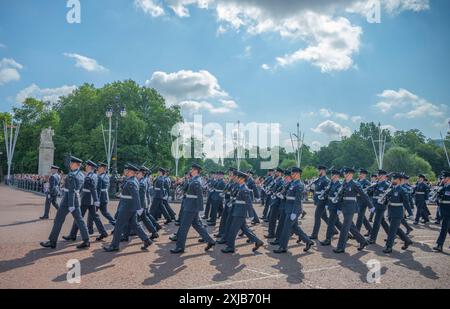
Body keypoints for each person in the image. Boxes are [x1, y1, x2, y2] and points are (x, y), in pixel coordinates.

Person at [40, 156, 90, 249]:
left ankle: (52, 241)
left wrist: (71, 204)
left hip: (68, 199)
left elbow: (71, 191)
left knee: (58, 220)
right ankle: (86, 240)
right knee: (79, 220)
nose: (70, 164)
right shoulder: (82, 175)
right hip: (76, 198)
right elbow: (81, 189)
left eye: (72, 163)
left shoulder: (72, 175)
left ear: (76, 164)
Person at [103, 164, 152, 252]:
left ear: (131, 172)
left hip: (127, 207)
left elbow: (136, 196)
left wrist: (139, 208)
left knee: (118, 226)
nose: (125, 171)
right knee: (135, 225)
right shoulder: (133, 180)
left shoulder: (131, 182)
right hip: (130, 206)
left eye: (127, 170)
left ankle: (114, 245)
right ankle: (146, 240)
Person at [171, 164, 215, 254]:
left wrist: (200, 208)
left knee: (183, 227)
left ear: (196, 170)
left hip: (191, 207)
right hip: (190, 205)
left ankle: (180, 247)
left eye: (192, 169)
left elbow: (199, 196)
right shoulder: (193, 179)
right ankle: (210, 241)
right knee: (197, 225)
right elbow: (185, 189)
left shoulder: (196, 181)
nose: (190, 171)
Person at [64, 160, 109, 242]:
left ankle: (73, 235)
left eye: (87, 166)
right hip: (90, 199)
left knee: (79, 217)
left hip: (87, 199)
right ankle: (103, 232)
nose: (85, 167)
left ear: (89, 167)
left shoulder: (90, 176)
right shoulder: (95, 175)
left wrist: (95, 199)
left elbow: (93, 189)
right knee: (93, 217)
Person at [221, 171, 264, 254]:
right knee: (245, 229)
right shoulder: (240, 187)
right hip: (237, 211)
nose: (236, 179)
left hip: (240, 213)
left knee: (233, 230)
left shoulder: (244, 189)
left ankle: (230, 247)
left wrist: (251, 215)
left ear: (242, 179)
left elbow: (248, 203)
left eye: (238, 177)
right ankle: (258, 241)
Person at [273, 167, 314, 253]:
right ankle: (308, 241)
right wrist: (282, 196)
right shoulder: (292, 183)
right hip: (288, 208)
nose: (291, 175)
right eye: (291, 174)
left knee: (286, 228)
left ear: (298, 174)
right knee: (295, 228)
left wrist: (294, 212)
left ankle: (283, 247)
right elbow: (288, 194)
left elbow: (297, 200)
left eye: (293, 174)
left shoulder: (299, 184)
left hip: (293, 210)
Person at [332, 167, 370, 254]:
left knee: (345, 228)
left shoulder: (355, 184)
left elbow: (364, 195)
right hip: (345, 207)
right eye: (344, 173)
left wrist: (370, 206)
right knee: (351, 227)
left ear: (350, 174)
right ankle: (363, 241)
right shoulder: (344, 183)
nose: (344, 175)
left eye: (346, 173)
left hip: (351, 208)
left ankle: (340, 247)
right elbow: (341, 196)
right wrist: (339, 208)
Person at [383, 173, 413, 254]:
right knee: (396, 229)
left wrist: (410, 213)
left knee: (392, 230)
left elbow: (406, 203)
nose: (392, 180)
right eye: (392, 179)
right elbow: (387, 199)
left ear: (399, 180)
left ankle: (388, 247)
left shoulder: (402, 190)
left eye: (394, 179)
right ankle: (407, 240)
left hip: (398, 213)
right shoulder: (391, 188)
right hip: (391, 211)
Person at [87, 162, 115, 229]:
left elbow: (98, 189)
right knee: (105, 213)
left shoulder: (100, 177)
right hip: (104, 197)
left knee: (91, 213)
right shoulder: (106, 176)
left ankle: (89, 228)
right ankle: (115, 223)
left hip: (100, 198)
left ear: (103, 168)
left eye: (99, 167)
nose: (98, 169)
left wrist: (97, 199)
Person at [310, 165, 334, 240]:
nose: (318, 172)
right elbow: (315, 190)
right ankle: (334, 230)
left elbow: (327, 192)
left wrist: (326, 203)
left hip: (322, 202)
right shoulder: (319, 179)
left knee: (317, 216)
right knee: (324, 217)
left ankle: (314, 235)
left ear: (322, 171)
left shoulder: (326, 180)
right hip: (318, 200)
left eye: (319, 170)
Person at [265, 168, 285, 239]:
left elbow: (281, 190)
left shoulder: (281, 181)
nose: (274, 173)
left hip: (277, 203)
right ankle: (271, 233)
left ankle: (271, 233)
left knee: (272, 218)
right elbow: (273, 189)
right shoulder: (275, 181)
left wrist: (275, 193)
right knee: (275, 218)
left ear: (280, 173)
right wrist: (269, 191)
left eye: (276, 172)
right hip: (273, 201)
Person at [433, 171, 450, 253]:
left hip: (448, 211)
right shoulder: (442, 187)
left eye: (444, 178)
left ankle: (439, 245)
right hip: (442, 210)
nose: (442, 179)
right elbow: (438, 199)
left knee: (444, 228)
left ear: (448, 178)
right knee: (448, 228)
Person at [355, 168, 372, 236]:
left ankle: (356, 232)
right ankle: (370, 229)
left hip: (363, 201)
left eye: (361, 174)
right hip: (357, 200)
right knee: (362, 217)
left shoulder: (367, 182)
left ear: (364, 174)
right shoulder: (357, 181)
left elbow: (369, 192)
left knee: (360, 217)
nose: (359, 175)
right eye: (359, 173)